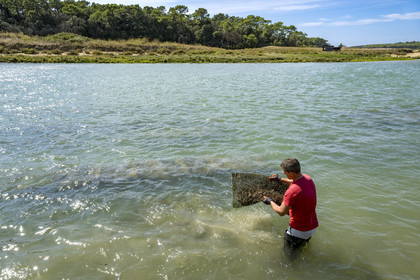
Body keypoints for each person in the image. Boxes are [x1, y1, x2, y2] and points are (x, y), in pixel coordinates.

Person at [262, 158, 318, 258]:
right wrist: (280, 180)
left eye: (285, 172)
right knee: (301, 249)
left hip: (298, 231)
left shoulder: (291, 192)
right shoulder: (308, 179)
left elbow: (281, 212)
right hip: (311, 226)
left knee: (287, 259)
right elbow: (294, 181)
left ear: (292, 173)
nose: (283, 173)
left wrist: (270, 201)